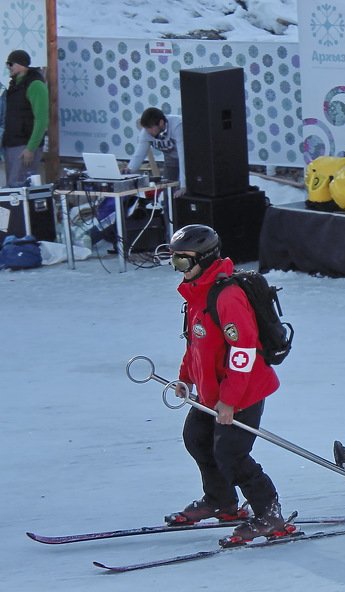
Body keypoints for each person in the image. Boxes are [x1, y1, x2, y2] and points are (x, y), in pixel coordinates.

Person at [165, 223, 287, 544]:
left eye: (183, 261)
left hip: (242, 391)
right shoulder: (196, 293)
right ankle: (221, 501)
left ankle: (269, 514)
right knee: (196, 438)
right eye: (173, 260)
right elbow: (196, 343)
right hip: (211, 392)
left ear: (204, 259)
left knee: (231, 453)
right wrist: (185, 378)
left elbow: (243, 351)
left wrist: (230, 400)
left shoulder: (227, 296)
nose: (177, 268)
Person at [1, 50, 48, 186]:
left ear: (21, 64)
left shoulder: (35, 85)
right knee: (12, 187)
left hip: (24, 145)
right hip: (12, 144)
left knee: (21, 187)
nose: (8, 67)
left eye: (10, 64)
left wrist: (31, 148)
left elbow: (42, 119)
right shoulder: (14, 84)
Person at [123, 106, 186, 196]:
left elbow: (183, 156)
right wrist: (128, 172)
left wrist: (183, 185)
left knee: (185, 190)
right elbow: (139, 155)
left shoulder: (177, 125)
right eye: (146, 128)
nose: (149, 132)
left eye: (151, 128)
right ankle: (169, 208)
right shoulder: (146, 132)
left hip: (189, 155)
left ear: (161, 123)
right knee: (167, 190)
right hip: (170, 157)